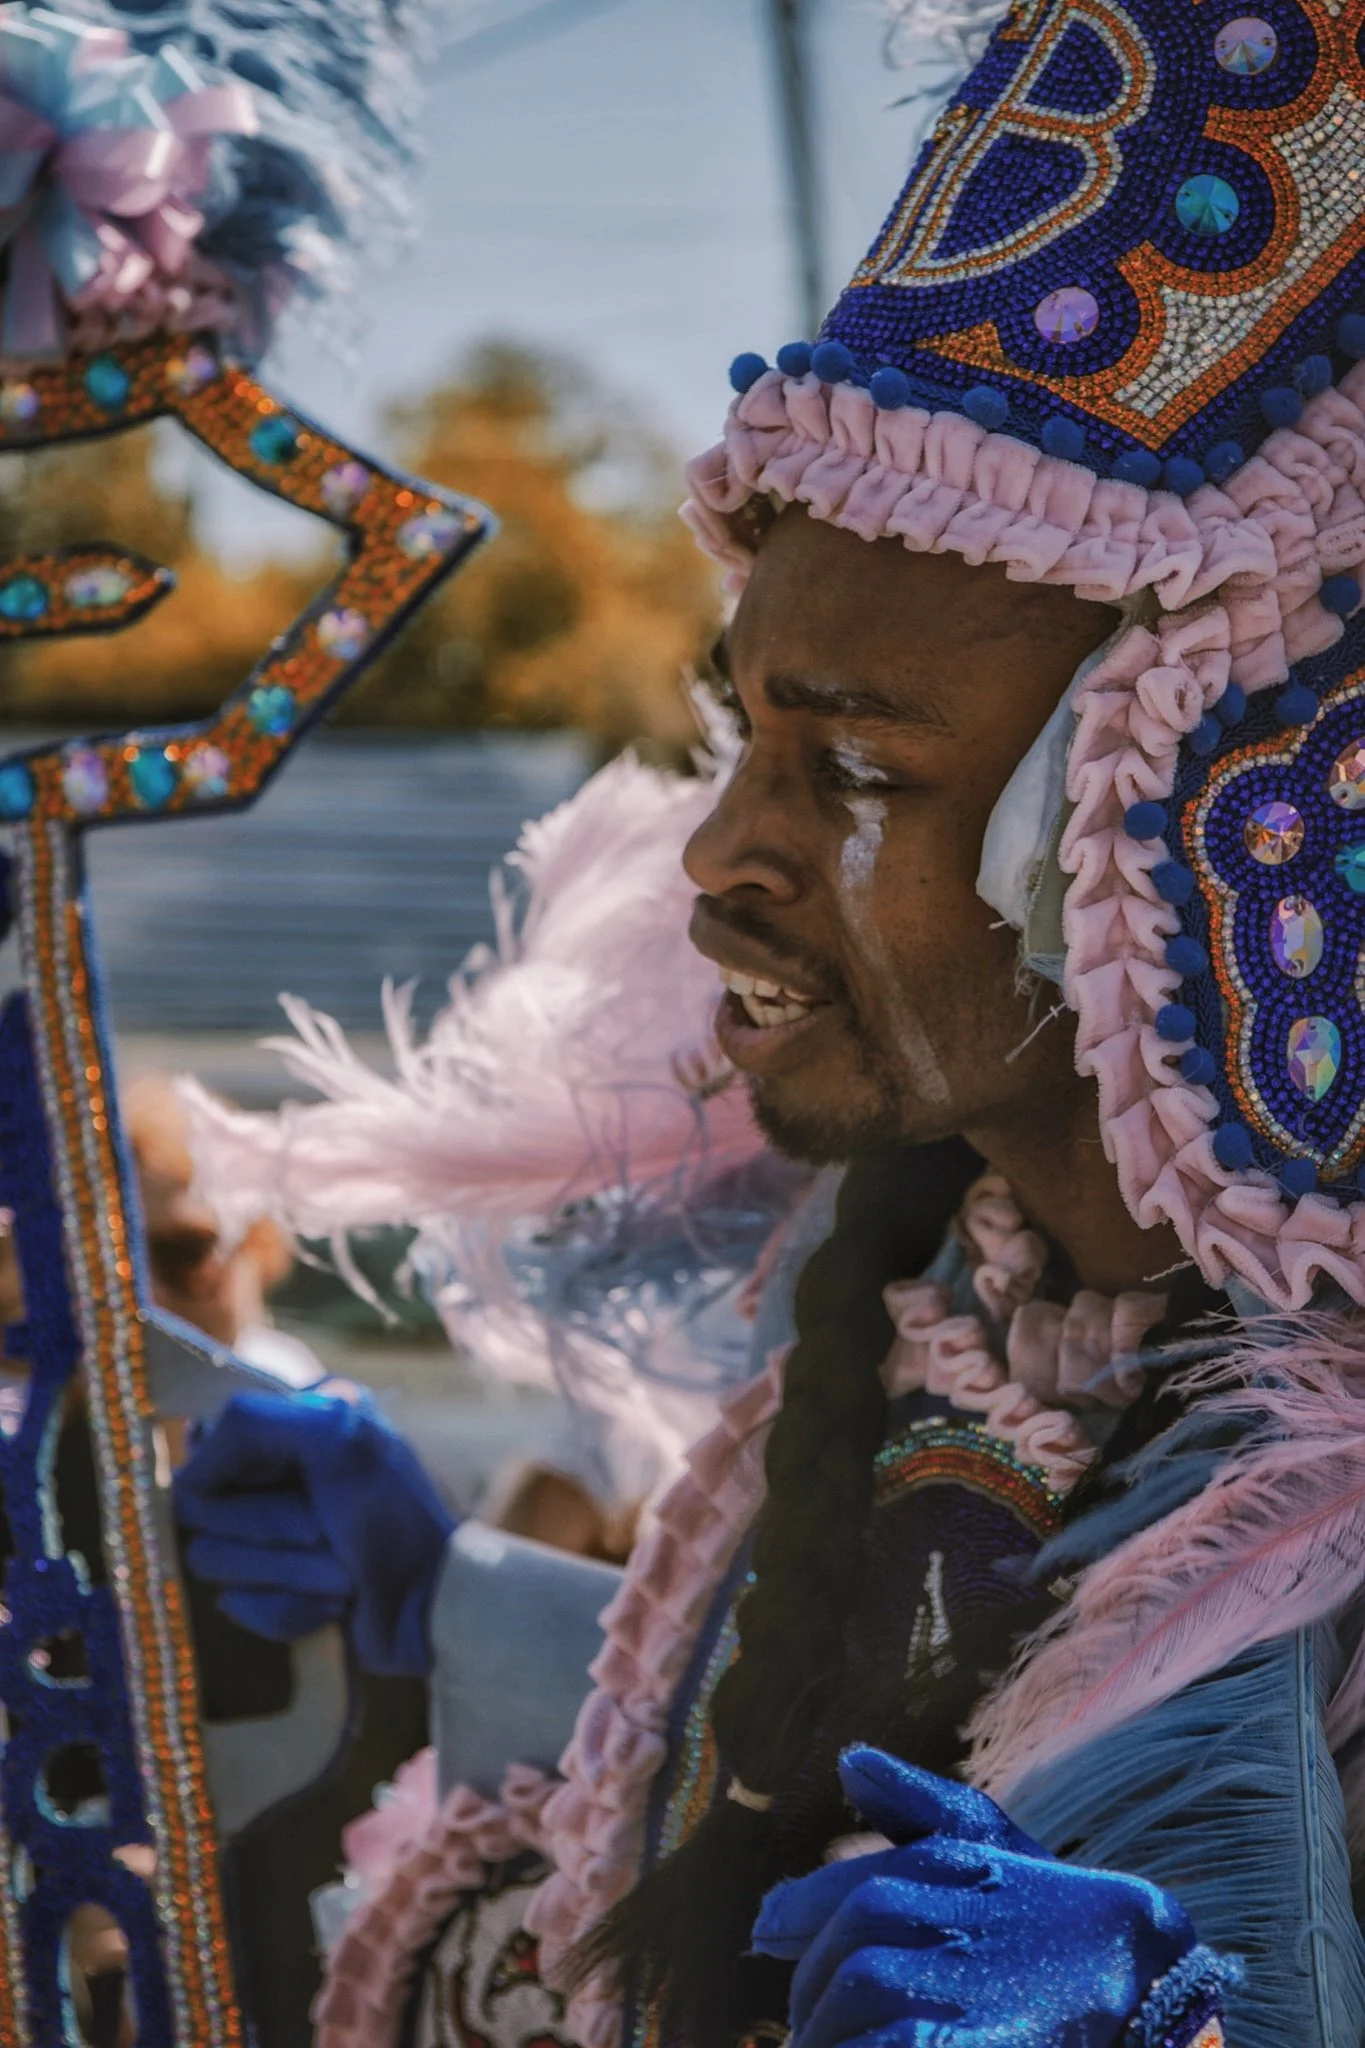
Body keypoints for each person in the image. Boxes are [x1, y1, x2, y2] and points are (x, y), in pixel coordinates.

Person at [173, 4, 1365, 2045]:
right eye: (747, 731)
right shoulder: (913, 1310)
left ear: (1158, 816)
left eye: (851, 765)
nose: (720, 845)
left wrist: (1186, 2012)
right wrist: (447, 1617)